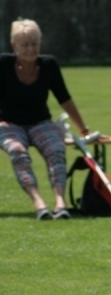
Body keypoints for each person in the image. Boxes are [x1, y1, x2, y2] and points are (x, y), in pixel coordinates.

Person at [0, 18, 92, 220]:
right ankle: (38, 203)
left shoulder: (49, 65)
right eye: (25, 45)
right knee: (17, 151)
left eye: (35, 44)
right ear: (14, 45)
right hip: (9, 123)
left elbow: (64, 98)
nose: (31, 49)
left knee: (56, 149)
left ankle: (60, 202)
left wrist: (83, 128)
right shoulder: (3, 64)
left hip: (41, 122)